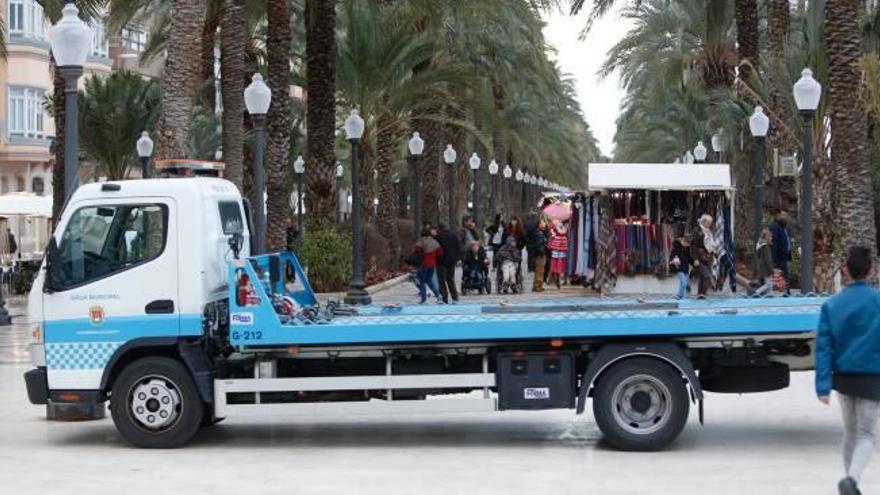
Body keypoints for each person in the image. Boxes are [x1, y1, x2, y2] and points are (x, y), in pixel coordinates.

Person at [815, 246, 880, 495]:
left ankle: (850, 483)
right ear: (870, 270)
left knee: (850, 433)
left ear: (846, 271)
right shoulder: (877, 302)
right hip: (872, 380)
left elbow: (823, 347)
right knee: (866, 435)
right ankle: (851, 481)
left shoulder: (832, 305)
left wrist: (822, 386)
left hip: (843, 380)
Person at [411, 227, 444, 304]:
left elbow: (416, 251)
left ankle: (424, 299)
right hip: (432, 265)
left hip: (422, 264)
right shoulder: (435, 242)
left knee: (422, 282)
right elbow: (440, 254)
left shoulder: (420, 242)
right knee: (429, 280)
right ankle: (438, 296)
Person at [434, 223, 460, 304]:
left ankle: (444, 298)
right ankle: (455, 297)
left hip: (441, 261)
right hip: (452, 260)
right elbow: (457, 247)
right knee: (450, 278)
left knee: (441, 280)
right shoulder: (453, 235)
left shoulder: (437, 237)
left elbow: (437, 249)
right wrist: (457, 258)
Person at [691, 214, 716, 298]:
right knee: (706, 276)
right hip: (699, 256)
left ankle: (700, 295)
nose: (710, 224)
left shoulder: (708, 231)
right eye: (709, 222)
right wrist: (695, 259)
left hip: (707, 256)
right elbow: (693, 245)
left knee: (703, 277)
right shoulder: (697, 230)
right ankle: (702, 295)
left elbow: (711, 244)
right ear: (704, 222)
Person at [770, 210, 793, 295]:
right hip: (779, 258)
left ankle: (786, 292)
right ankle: (783, 292)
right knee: (778, 276)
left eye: (785, 215)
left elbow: (786, 242)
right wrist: (775, 259)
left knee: (786, 276)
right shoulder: (775, 227)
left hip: (785, 257)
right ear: (777, 215)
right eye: (783, 215)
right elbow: (774, 244)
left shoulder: (784, 228)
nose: (785, 217)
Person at [669, 235, 693, 300]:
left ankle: (681, 296)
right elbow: (672, 256)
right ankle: (679, 296)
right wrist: (673, 261)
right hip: (679, 268)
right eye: (687, 244)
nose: (687, 245)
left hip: (685, 268)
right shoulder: (676, 247)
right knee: (684, 283)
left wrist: (693, 263)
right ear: (683, 241)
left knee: (685, 283)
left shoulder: (687, 248)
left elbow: (689, 258)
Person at [529, 216, 549, 292]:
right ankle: (537, 286)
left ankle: (538, 285)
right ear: (539, 224)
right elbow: (539, 245)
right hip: (540, 254)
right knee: (540, 270)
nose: (544, 223)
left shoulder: (541, 232)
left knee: (540, 270)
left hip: (540, 253)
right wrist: (543, 252)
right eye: (543, 222)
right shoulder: (539, 233)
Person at [547, 219, 568, 289]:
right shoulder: (564, 226)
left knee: (555, 262)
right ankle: (559, 277)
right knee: (561, 262)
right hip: (563, 245)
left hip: (556, 245)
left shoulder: (554, 225)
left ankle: (555, 277)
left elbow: (552, 235)